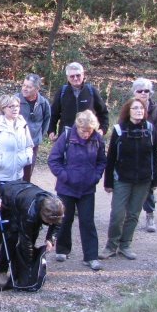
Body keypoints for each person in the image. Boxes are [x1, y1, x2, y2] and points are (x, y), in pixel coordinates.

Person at [101, 96, 157, 263]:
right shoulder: (119, 130)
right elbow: (111, 157)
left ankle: (125, 244)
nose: (139, 111)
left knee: (133, 214)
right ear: (128, 111)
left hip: (143, 180)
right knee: (117, 214)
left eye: (141, 108)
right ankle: (111, 246)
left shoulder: (149, 129)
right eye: (135, 108)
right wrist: (108, 182)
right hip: (122, 179)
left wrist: (155, 179)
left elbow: (154, 155)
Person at [47, 110, 107, 271]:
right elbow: (53, 160)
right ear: (78, 127)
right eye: (83, 130)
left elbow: (102, 161)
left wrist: (96, 176)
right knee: (64, 220)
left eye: (89, 131)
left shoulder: (98, 139)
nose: (86, 134)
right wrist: (65, 176)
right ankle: (62, 249)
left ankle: (91, 256)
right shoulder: (67, 137)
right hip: (66, 188)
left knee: (87, 222)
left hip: (87, 189)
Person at [0, 181, 64, 288]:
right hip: (10, 199)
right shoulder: (30, 214)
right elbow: (27, 241)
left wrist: (50, 239)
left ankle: (22, 270)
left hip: (26, 194)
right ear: (41, 214)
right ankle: (2, 270)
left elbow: (58, 223)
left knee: (33, 234)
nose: (49, 224)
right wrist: (29, 265)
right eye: (48, 222)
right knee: (11, 237)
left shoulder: (58, 206)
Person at [131, 79, 157, 233]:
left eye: (146, 91)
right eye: (140, 91)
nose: (143, 93)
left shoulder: (155, 110)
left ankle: (150, 214)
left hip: (148, 153)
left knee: (148, 185)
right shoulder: (129, 107)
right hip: (130, 152)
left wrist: (148, 145)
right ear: (134, 92)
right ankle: (129, 216)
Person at [48, 62, 109, 140]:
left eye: (78, 75)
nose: (75, 78)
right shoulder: (62, 92)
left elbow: (103, 112)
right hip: (66, 138)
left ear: (83, 75)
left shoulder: (91, 91)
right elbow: (53, 114)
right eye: (72, 76)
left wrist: (102, 130)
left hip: (88, 137)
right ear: (67, 77)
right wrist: (51, 131)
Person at [0, 94, 33, 184]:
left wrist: (26, 158)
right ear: (3, 108)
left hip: (18, 176)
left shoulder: (22, 124)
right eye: (11, 106)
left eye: (17, 106)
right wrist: (0, 162)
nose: (15, 109)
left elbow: (29, 145)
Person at [18, 74, 51, 180]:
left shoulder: (43, 103)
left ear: (37, 89)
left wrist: (38, 137)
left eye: (29, 87)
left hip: (33, 144)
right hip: (17, 143)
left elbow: (47, 120)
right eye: (24, 85)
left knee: (27, 175)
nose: (25, 89)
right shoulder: (15, 100)